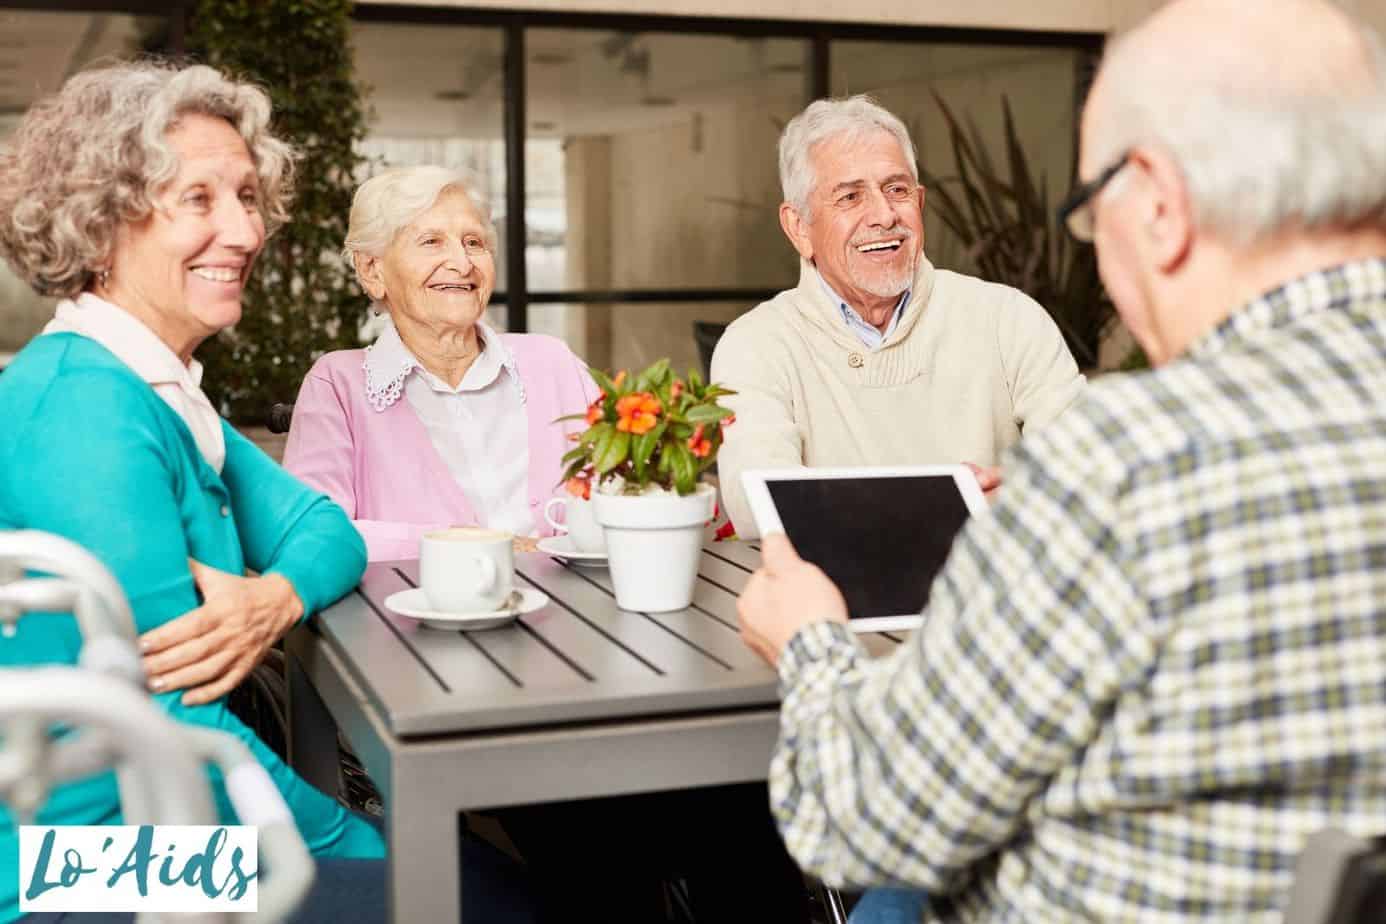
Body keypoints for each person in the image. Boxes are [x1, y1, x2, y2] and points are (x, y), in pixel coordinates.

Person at [735, 0, 1386, 920]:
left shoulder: (1125, 467)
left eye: (1089, 208)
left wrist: (808, 639)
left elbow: (859, 818)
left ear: (1157, 203)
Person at [0, 62, 532, 923]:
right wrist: (344, 839)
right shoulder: (86, 408)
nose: (244, 230)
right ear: (101, 224)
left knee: (480, 876)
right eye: (199, 200)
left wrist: (273, 599)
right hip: (74, 860)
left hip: (157, 815)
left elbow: (329, 531)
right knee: (487, 898)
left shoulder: (162, 391)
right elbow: (175, 719)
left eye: (247, 197)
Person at [711, 95, 1086, 537]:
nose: (885, 215)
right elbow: (757, 504)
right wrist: (959, 504)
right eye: (850, 196)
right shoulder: (756, 345)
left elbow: (1086, 470)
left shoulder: (1010, 319)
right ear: (798, 227)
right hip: (834, 598)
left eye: (897, 189)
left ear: (919, 201)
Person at [282, 166, 597, 562]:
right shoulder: (337, 384)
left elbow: (634, 487)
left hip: (577, 610)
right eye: (431, 242)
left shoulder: (553, 363)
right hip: (416, 615)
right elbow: (314, 533)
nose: (461, 263)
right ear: (371, 270)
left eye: (473, 242)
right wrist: (466, 546)